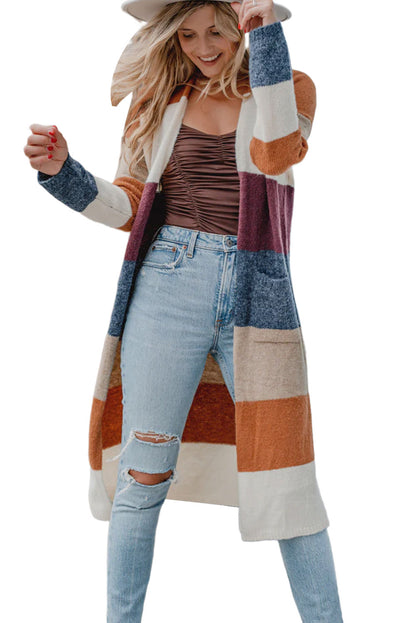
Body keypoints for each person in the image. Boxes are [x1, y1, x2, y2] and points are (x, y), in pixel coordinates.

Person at [23, 1, 344, 621]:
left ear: (239, 26)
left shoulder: (287, 82)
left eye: (216, 30)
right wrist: (65, 173)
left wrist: (266, 35)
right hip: (168, 283)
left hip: (259, 295)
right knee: (142, 476)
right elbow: (130, 207)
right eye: (188, 34)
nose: (203, 46)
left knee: (288, 481)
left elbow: (279, 151)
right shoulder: (157, 99)